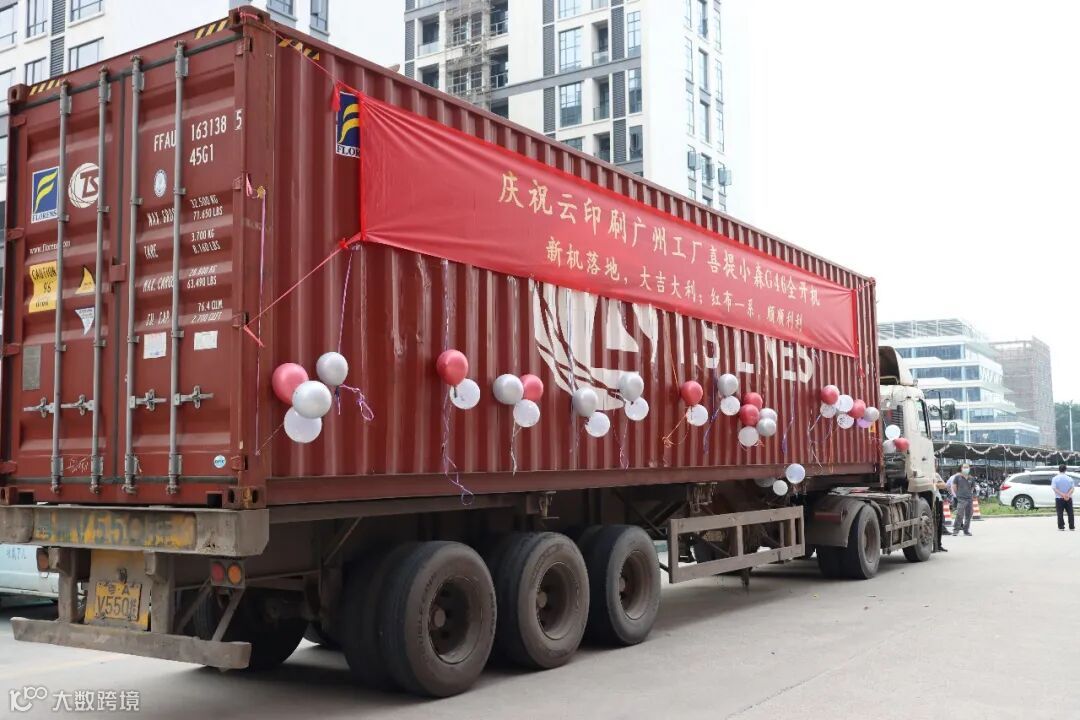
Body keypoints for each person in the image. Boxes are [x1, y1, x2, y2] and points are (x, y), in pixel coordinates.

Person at [950, 464, 975, 536]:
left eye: (967, 467)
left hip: (969, 499)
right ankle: (955, 530)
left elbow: (972, 487)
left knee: (968, 515)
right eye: (964, 467)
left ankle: (966, 531)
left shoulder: (971, 478)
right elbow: (954, 486)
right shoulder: (957, 477)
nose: (966, 469)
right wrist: (958, 494)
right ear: (961, 468)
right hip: (961, 498)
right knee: (959, 514)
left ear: (969, 468)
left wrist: (969, 493)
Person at [1051, 463, 1075, 532]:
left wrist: (1062, 495)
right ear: (1065, 470)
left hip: (1059, 498)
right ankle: (1071, 526)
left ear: (1059, 470)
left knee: (1060, 513)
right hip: (1068, 498)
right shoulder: (1069, 478)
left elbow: (1054, 488)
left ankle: (1061, 527)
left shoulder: (1055, 478)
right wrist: (1067, 495)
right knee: (1070, 512)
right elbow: (1072, 488)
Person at [932, 473, 948, 552]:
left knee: (939, 523)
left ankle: (938, 545)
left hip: (937, 500)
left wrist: (934, 484)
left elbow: (943, 485)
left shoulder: (935, 474)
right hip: (926, 500)